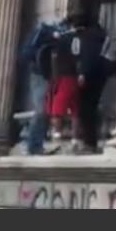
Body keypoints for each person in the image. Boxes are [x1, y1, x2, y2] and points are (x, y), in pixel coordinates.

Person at [18, 20, 67, 155]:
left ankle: (38, 144)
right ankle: (33, 145)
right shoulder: (46, 32)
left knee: (47, 109)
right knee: (42, 110)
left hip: (51, 74)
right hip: (41, 74)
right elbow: (27, 54)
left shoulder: (53, 33)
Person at [72, 11, 115, 153]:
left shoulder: (87, 36)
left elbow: (88, 57)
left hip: (90, 76)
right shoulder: (101, 34)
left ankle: (89, 143)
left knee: (86, 110)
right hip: (102, 75)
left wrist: (83, 73)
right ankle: (93, 141)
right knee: (92, 108)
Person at [48, 22, 82, 152]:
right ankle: (75, 140)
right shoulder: (79, 38)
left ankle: (57, 138)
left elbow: (54, 58)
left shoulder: (61, 39)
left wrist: (54, 77)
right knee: (75, 110)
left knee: (57, 110)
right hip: (75, 77)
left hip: (63, 77)